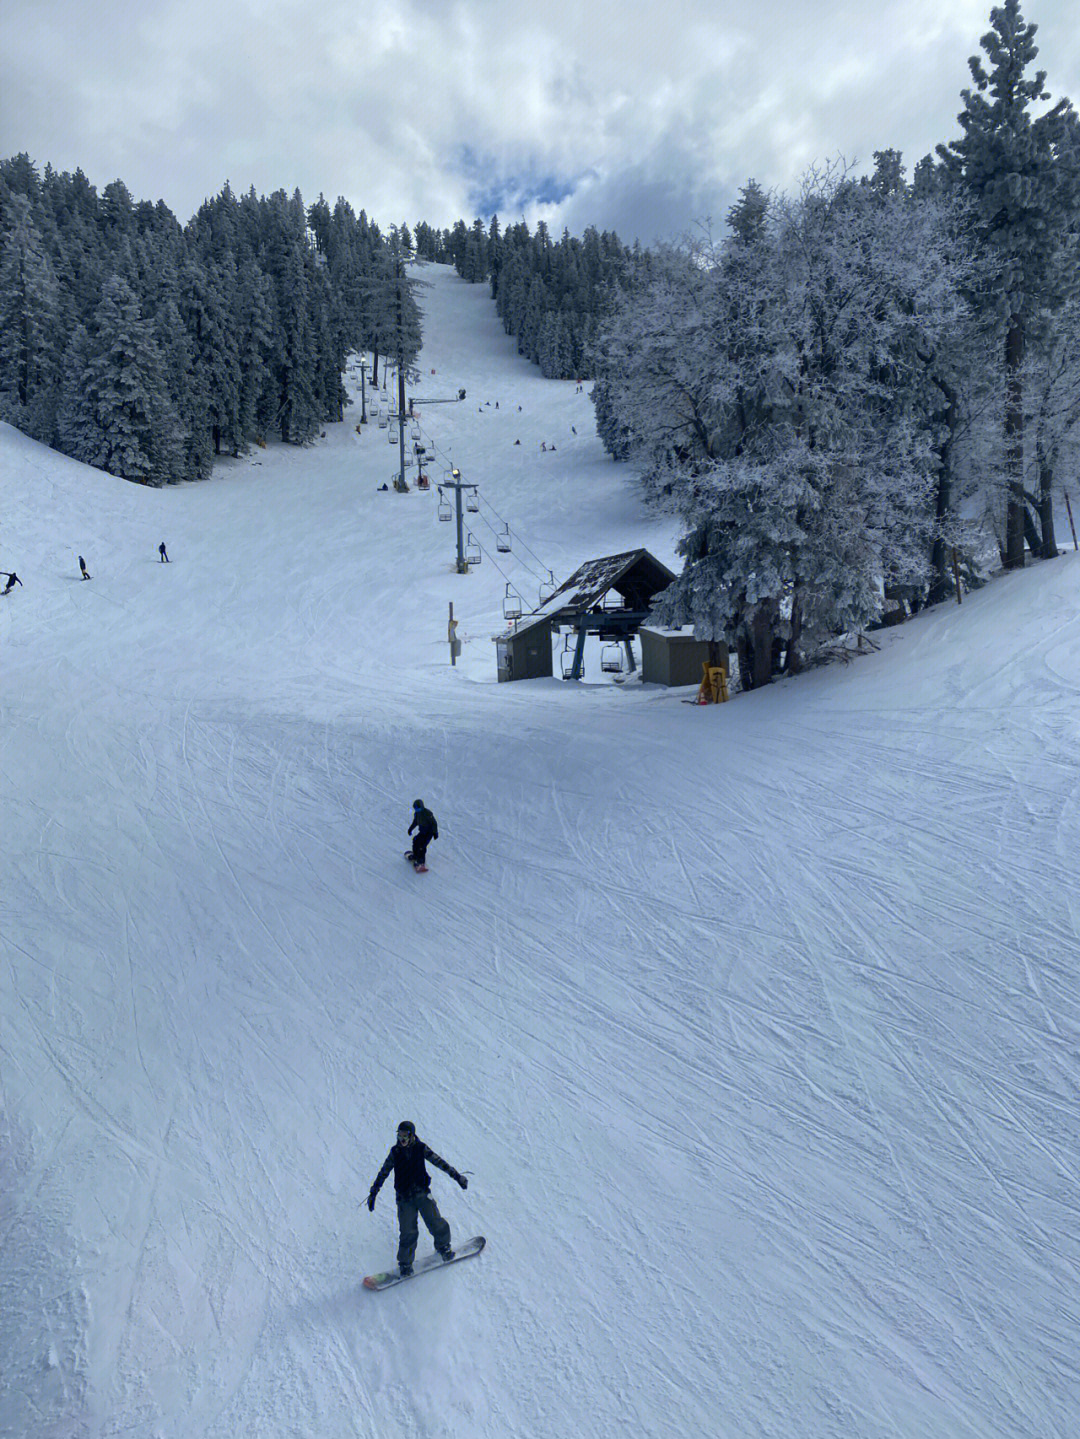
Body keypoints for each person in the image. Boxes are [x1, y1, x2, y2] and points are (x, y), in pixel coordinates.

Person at [367, 1120, 468, 1276]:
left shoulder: (421, 1148)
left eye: (405, 1135)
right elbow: (383, 1172)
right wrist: (374, 1192)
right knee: (408, 1232)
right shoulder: (395, 1152)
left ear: (412, 1135)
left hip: (421, 1193)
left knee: (435, 1221)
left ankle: (443, 1247)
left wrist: (457, 1176)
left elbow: (439, 1162)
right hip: (404, 1198)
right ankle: (405, 1264)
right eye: (399, 1135)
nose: (402, 1139)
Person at [407, 798, 438, 868]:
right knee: (415, 841)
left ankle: (421, 861)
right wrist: (410, 829)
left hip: (429, 832)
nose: (417, 810)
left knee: (422, 846)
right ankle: (415, 855)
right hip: (422, 832)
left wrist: (435, 832)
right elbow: (415, 822)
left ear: (422, 807)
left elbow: (434, 823)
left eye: (418, 808)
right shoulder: (417, 814)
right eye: (415, 808)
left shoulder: (427, 814)